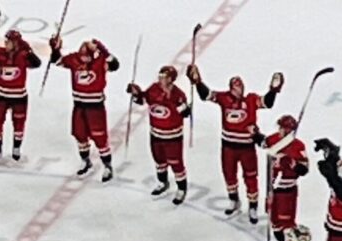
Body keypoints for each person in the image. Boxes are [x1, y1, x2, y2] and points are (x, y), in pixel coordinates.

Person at [187, 65, 282, 221]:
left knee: (251, 177)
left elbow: (267, 103)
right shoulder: (224, 98)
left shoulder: (251, 100)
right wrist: (198, 82)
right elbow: (206, 96)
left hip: (247, 147)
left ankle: (252, 206)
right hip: (228, 147)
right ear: (230, 88)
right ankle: (234, 200)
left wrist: (273, 90)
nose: (239, 90)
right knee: (229, 174)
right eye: (236, 87)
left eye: (241, 87)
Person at [49, 36, 120, 181]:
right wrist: (55, 49)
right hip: (79, 106)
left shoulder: (101, 61)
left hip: (95, 108)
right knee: (80, 135)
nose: (84, 60)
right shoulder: (74, 59)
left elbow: (115, 65)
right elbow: (57, 61)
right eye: (82, 56)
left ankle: (107, 166)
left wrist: (103, 49)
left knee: (100, 138)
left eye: (87, 56)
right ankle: (85, 161)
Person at [127, 66, 191, 204]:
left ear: (171, 79)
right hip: (156, 134)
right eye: (160, 75)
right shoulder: (154, 89)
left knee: (176, 163)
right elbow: (143, 100)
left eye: (164, 76)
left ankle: (181, 189)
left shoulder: (178, 95)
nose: (160, 78)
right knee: (159, 160)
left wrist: (181, 105)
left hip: (172, 137)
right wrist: (136, 93)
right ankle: (163, 182)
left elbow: (184, 113)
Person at [0, 29, 42, 160]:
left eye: (9, 41)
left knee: (19, 123)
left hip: (19, 97)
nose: (6, 43)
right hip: (0, 95)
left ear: (16, 43)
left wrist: (30, 53)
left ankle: (16, 148)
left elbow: (37, 63)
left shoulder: (24, 55)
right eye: (6, 41)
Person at [262, 115, 309, 241]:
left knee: (286, 220)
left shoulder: (298, 146)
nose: (281, 130)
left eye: (284, 128)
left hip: (287, 190)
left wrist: (292, 163)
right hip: (272, 188)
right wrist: (255, 133)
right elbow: (263, 142)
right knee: (274, 218)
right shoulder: (275, 139)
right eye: (281, 127)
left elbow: (304, 170)